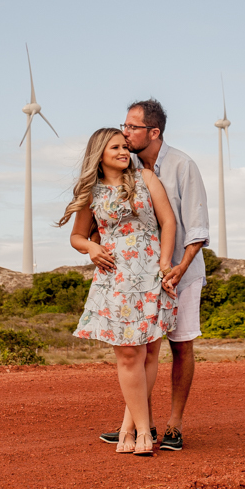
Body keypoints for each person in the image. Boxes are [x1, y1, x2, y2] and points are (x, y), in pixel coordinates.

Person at [99, 98, 210, 452]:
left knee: (180, 345)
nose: (125, 133)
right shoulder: (125, 167)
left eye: (132, 127)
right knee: (140, 350)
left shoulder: (182, 166)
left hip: (181, 270)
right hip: (142, 275)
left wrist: (179, 267)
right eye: (124, 126)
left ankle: (174, 426)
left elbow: (196, 228)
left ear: (154, 131)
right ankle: (134, 425)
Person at [60, 128, 178, 457]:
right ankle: (142, 429)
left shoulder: (145, 178)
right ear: (99, 153)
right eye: (116, 147)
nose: (124, 151)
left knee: (149, 354)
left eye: (126, 146)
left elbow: (168, 222)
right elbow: (77, 236)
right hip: (116, 279)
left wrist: (165, 264)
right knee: (129, 355)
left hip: (151, 274)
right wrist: (89, 248)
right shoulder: (91, 192)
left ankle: (131, 428)